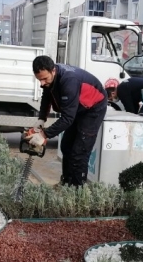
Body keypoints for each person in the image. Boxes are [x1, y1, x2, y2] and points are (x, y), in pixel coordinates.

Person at [28, 55, 107, 187]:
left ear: (53, 70)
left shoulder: (69, 80)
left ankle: (76, 191)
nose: (41, 83)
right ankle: (66, 183)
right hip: (77, 107)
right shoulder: (50, 78)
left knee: (79, 152)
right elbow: (46, 96)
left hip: (93, 108)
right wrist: (42, 118)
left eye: (44, 79)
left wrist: (44, 135)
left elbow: (68, 118)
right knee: (66, 146)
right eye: (39, 80)